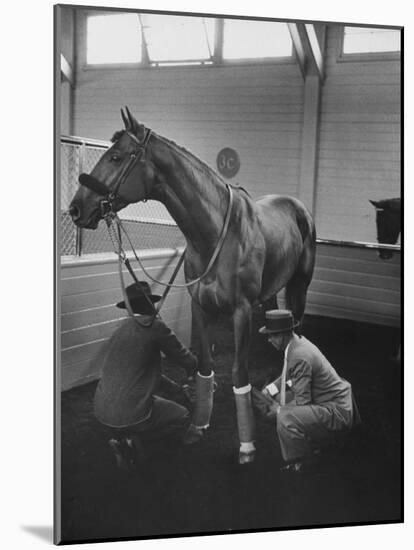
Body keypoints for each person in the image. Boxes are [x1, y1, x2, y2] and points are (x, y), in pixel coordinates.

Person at [93, 281, 198, 473]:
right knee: (182, 415)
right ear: (150, 304)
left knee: (140, 397)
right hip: (131, 413)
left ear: (130, 308)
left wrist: (176, 389)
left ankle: (122, 438)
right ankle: (136, 444)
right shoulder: (155, 327)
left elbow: (144, 375)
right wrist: (198, 368)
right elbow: (185, 358)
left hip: (101, 411)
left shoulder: (120, 329)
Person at [252, 309, 360, 474]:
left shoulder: (298, 356)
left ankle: (301, 462)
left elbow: (303, 403)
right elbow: (289, 376)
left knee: (285, 417)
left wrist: (279, 410)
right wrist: (269, 390)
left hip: (336, 412)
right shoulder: (296, 343)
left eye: (272, 335)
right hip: (334, 399)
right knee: (284, 399)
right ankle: (313, 442)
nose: (269, 339)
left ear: (282, 335)